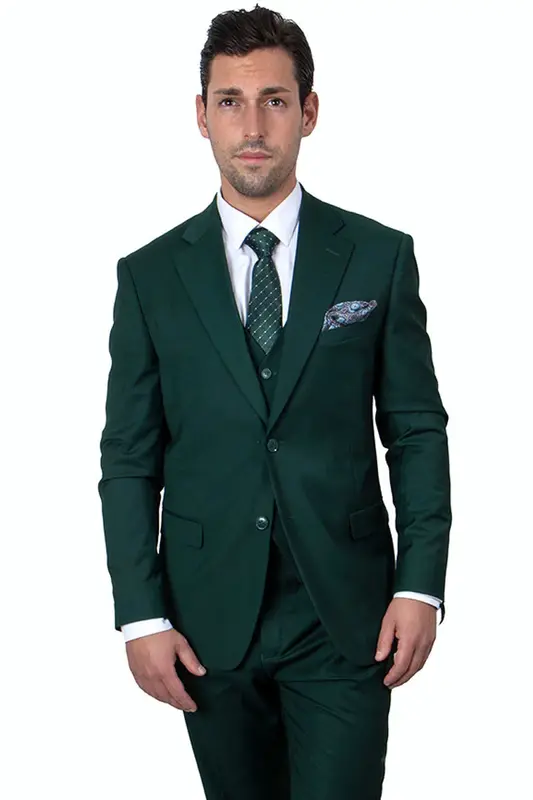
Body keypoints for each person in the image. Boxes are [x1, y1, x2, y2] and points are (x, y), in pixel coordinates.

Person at [98, 5, 451, 798]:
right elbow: (128, 456)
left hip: (347, 614)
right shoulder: (149, 277)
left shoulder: (377, 257)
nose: (252, 127)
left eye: (274, 101)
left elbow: (416, 431)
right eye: (230, 102)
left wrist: (419, 584)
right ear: (201, 115)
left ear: (308, 111)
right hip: (205, 616)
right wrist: (141, 614)